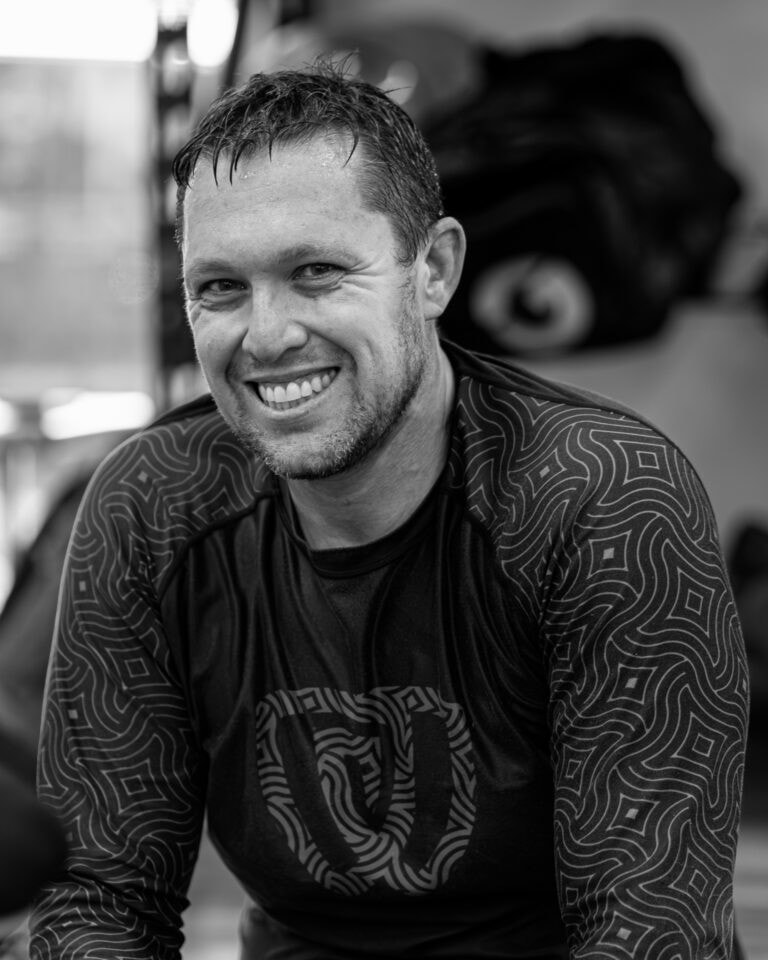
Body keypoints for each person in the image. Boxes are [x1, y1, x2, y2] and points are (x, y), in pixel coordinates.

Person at [29, 62, 749, 959]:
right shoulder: (153, 507)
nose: (267, 335)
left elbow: (653, 933)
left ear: (434, 269)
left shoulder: (600, 498)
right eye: (219, 287)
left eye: (318, 271)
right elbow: (101, 902)